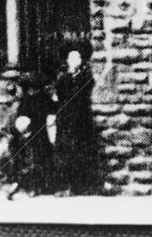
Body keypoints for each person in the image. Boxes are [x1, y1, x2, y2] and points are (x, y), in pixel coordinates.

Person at [53, 41, 99, 195]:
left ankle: (81, 186)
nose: (75, 61)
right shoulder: (62, 77)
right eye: (72, 58)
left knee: (82, 151)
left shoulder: (86, 76)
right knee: (65, 151)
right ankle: (65, 185)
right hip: (66, 119)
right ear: (67, 61)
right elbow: (60, 93)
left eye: (78, 58)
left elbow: (85, 92)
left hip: (81, 118)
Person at [5, 72, 56, 199]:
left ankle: (36, 185)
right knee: (19, 156)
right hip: (24, 132)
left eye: (34, 88)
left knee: (36, 157)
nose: (31, 91)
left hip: (39, 132)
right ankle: (17, 182)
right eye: (29, 89)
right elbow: (19, 115)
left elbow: (50, 111)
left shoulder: (44, 97)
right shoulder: (24, 98)